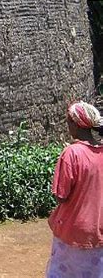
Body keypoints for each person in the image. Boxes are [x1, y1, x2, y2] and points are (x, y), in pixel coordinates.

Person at [46, 101, 103, 277]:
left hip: (73, 231)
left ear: (74, 124)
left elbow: (61, 196)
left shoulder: (72, 153)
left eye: (68, 121)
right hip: (99, 230)